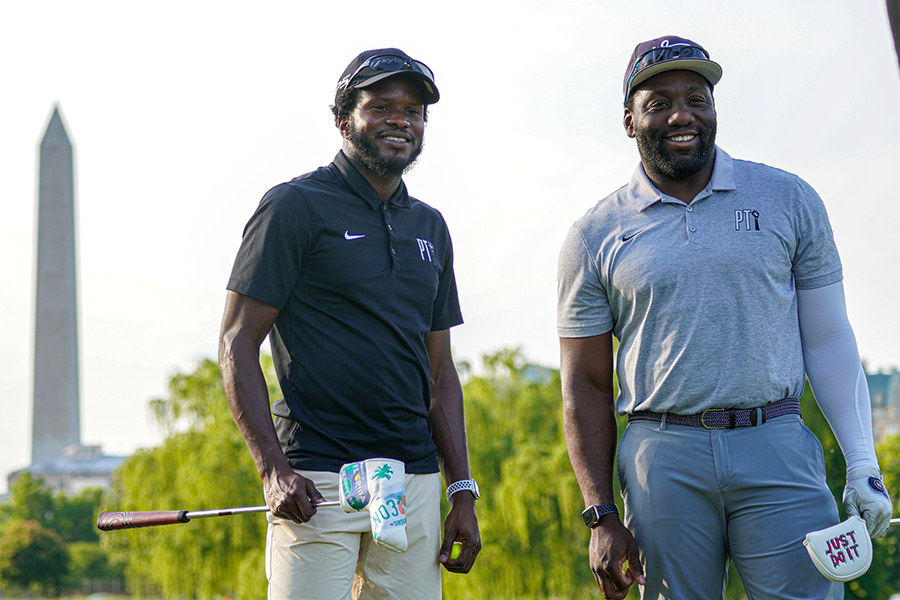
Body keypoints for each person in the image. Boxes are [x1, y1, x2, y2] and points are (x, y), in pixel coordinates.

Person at [557, 36, 893, 600]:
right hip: (661, 457)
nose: (681, 114)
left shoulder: (789, 198)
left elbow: (830, 341)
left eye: (697, 97)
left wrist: (862, 464)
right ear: (629, 120)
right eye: (658, 102)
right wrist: (600, 514)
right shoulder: (594, 234)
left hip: (778, 442)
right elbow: (583, 384)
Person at [219, 48, 481, 599]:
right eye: (381, 106)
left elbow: (438, 374)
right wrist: (272, 470)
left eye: (413, 111)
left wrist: (461, 490)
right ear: (343, 119)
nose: (400, 120)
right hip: (315, 482)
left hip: (412, 484)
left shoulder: (430, 225)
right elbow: (237, 342)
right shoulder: (294, 206)